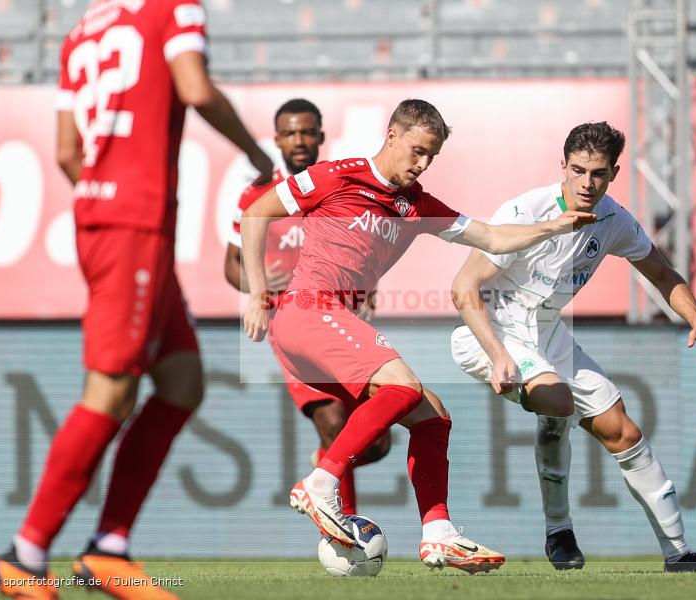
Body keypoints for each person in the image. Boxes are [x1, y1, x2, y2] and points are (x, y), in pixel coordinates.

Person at [0, 2, 274, 599]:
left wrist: (105, 199)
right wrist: (255, 153)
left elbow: (69, 152)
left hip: (103, 219)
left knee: (181, 382)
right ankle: (25, 552)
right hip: (134, 227)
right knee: (112, 388)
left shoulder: (82, 30)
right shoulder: (172, 9)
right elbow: (194, 88)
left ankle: (109, 549)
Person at [239, 99, 597, 574]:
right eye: (417, 150)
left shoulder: (417, 206)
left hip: (336, 321)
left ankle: (438, 534)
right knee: (402, 387)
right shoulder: (337, 175)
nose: (423, 163)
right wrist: (258, 292)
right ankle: (321, 482)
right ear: (392, 135)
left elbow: (490, 237)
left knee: (433, 417)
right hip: (307, 311)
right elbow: (256, 212)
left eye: (432, 156)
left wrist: (551, 226)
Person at [450, 121, 696, 573]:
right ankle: (559, 531)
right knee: (559, 401)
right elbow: (464, 288)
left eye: (598, 173)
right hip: (490, 329)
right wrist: (499, 356)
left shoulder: (614, 221)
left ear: (614, 174)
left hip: (548, 333)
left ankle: (679, 555)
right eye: (578, 170)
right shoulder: (525, 211)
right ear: (562, 166)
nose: (587, 183)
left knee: (623, 432)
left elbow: (663, 274)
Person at [225, 98, 391, 518]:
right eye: (289, 133)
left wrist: (368, 282)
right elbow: (231, 265)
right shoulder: (258, 194)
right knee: (335, 422)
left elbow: (365, 246)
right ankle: (343, 530)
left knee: (376, 440)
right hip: (293, 326)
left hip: (342, 320)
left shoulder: (337, 183)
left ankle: (324, 463)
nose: (298, 140)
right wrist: (259, 286)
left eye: (306, 132)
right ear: (277, 138)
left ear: (320, 136)